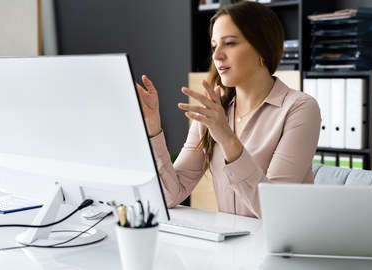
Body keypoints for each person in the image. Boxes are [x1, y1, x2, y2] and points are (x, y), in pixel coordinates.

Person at [136, 1, 321, 219]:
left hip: (282, 246)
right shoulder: (213, 111)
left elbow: (274, 210)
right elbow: (170, 195)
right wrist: (153, 129)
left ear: (262, 48)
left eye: (230, 43)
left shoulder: (299, 109)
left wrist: (227, 138)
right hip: (232, 247)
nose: (216, 56)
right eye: (214, 46)